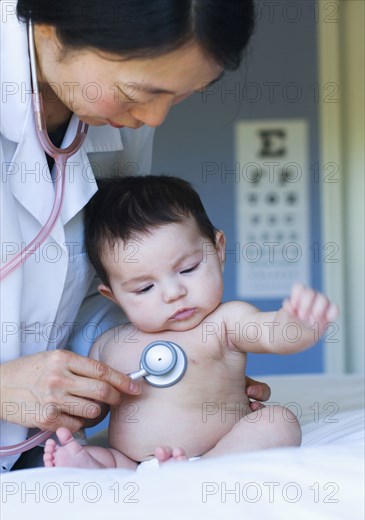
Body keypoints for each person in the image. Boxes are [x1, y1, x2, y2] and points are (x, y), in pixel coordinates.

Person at [0, 0, 271, 472]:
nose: (154, 118)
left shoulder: (120, 120)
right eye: (136, 90)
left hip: (43, 447)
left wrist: (179, 370)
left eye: (182, 93)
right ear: (49, 25)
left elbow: (97, 286)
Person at [43, 176, 339, 469]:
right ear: (114, 296)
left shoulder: (225, 321)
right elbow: (94, 407)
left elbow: (271, 334)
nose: (174, 293)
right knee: (97, 455)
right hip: (135, 464)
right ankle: (88, 468)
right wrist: (78, 409)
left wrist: (299, 325)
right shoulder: (107, 345)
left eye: (188, 269)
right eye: (144, 288)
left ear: (218, 250)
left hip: (221, 450)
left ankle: (200, 471)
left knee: (278, 421)